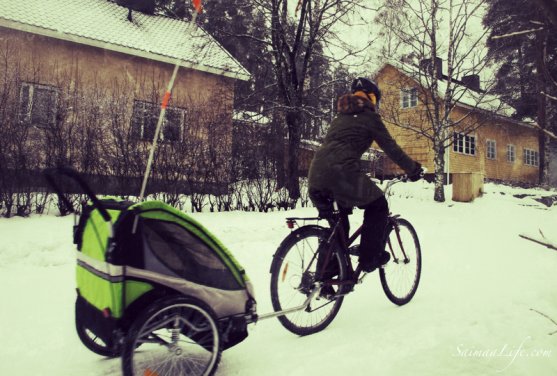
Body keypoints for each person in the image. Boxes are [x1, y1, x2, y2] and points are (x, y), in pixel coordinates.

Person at [308, 77, 423, 273]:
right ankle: (370, 257)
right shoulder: (370, 117)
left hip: (316, 175)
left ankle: (324, 278)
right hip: (341, 173)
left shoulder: (340, 118)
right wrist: (413, 169)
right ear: (372, 98)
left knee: (338, 226)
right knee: (378, 205)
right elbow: (391, 148)